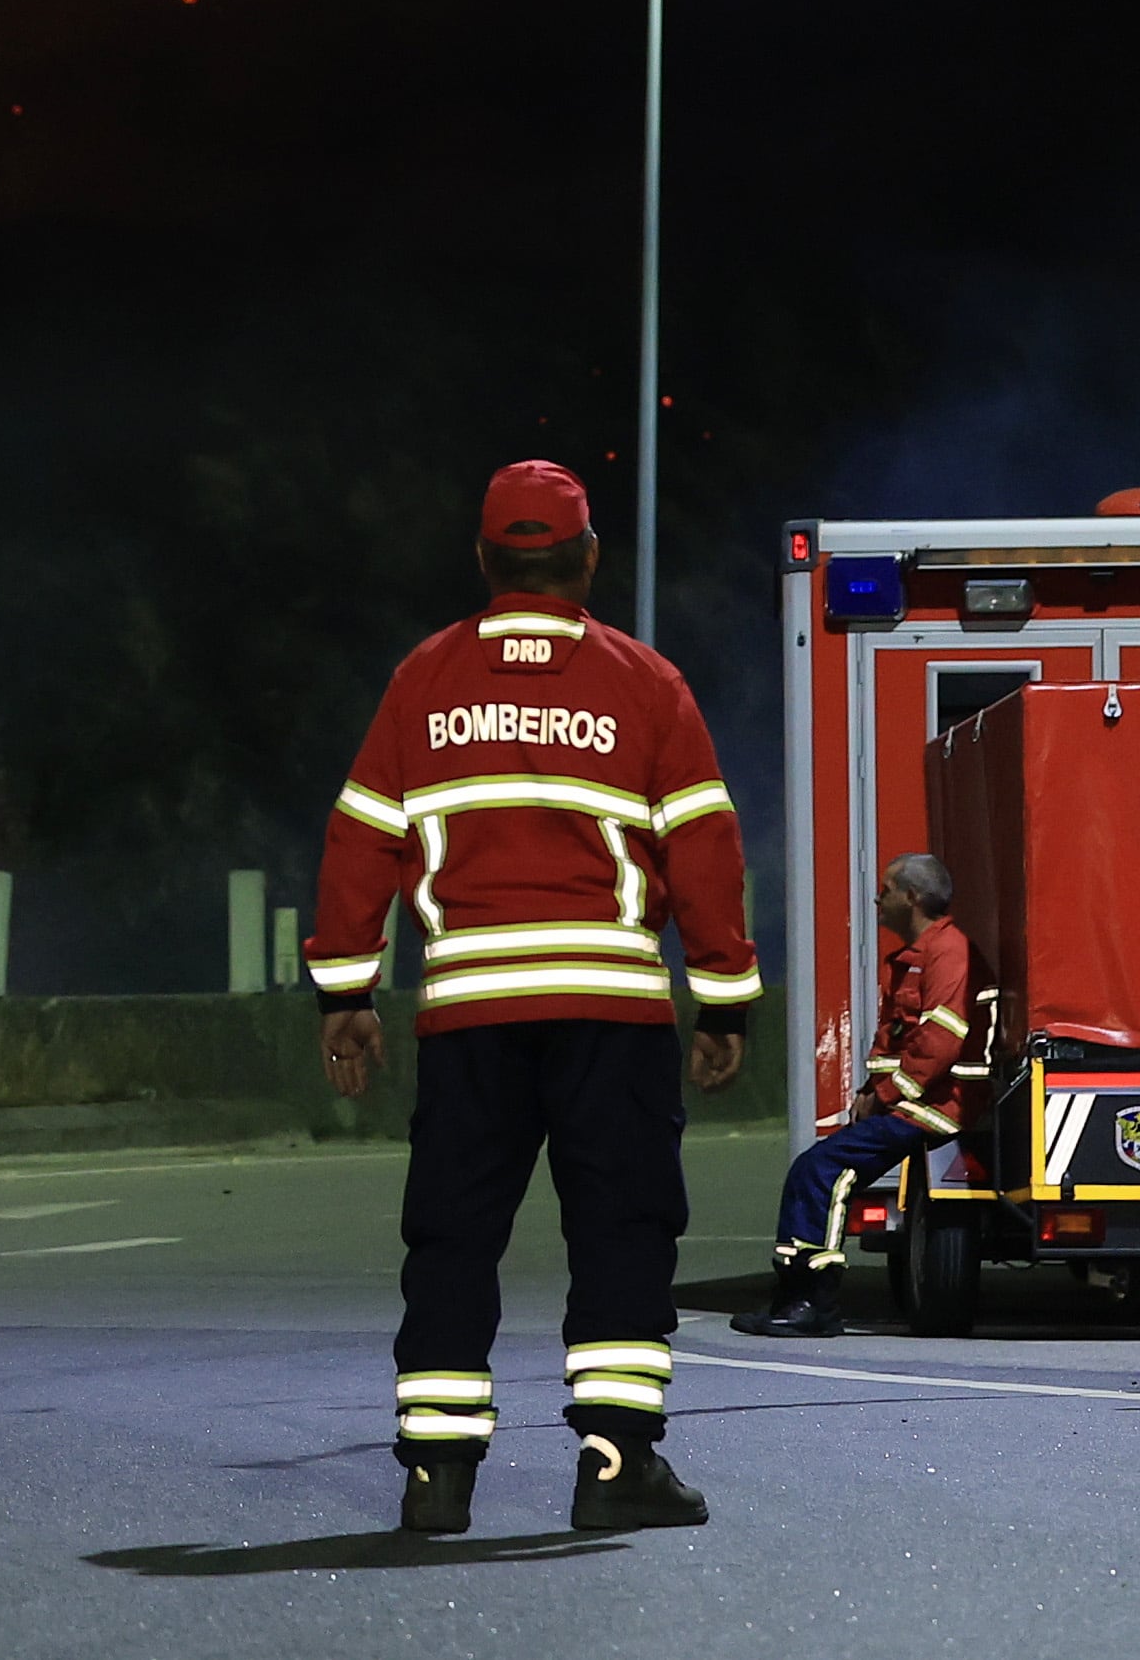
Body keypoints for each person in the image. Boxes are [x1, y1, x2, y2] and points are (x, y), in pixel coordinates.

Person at [310, 460, 761, 1536]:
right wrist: (727, 1001)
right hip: (611, 1008)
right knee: (623, 1228)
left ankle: (437, 1476)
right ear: (589, 559)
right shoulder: (646, 683)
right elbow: (705, 848)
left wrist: (345, 991)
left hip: (471, 1008)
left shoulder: (423, 679)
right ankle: (615, 1466)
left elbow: (361, 839)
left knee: (453, 1237)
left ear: (484, 560)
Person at [752, 855, 974, 1334]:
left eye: (887, 889)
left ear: (912, 898)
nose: (878, 898)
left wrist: (886, 1096)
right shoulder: (925, 955)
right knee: (813, 1170)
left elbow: (941, 1040)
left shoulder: (947, 951)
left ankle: (813, 1303)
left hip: (930, 1110)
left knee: (821, 1171)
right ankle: (793, 1298)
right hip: (910, 1106)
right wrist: (869, 1094)